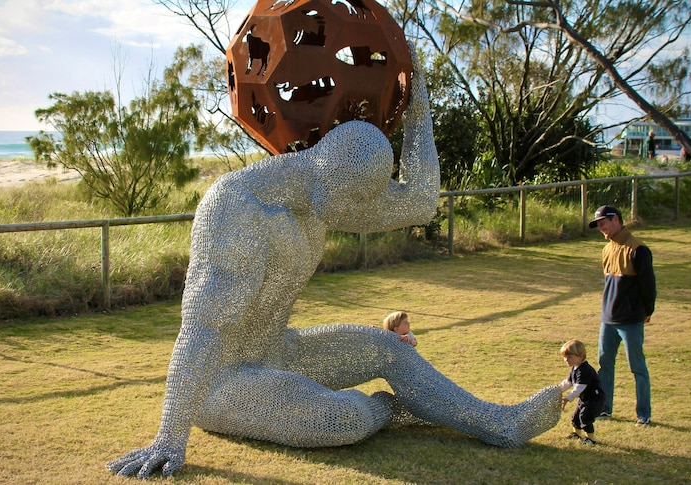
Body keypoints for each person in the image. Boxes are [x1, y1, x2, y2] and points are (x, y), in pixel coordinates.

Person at [107, 52, 561, 479]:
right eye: (354, 200)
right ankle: (390, 409)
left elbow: (421, 202)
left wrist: (418, 106)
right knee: (342, 417)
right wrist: (169, 436)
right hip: (221, 384)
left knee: (391, 348)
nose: (360, 212)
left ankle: (502, 423)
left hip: (281, 351)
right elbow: (202, 328)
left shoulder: (323, 196)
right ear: (328, 173)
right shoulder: (236, 206)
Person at [588, 205, 656, 428]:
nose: (601, 229)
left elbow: (648, 285)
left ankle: (643, 413)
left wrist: (647, 310)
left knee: (637, 366)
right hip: (608, 319)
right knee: (604, 364)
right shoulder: (607, 250)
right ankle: (604, 408)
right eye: (598, 226)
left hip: (630, 320)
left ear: (615, 219)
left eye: (603, 224)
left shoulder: (638, 250)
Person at [559, 339, 605, 445]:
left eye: (569, 357)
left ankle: (591, 438)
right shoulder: (576, 368)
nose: (566, 360)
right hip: (585, 398)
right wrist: (557, 390)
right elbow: (568, 382)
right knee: (575, 417)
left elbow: (579, 387)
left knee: (585, 417)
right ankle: (577, 434)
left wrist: (569, 397)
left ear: (580, 356)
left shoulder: (585, 370)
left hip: (595, 399)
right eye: (565, 357)